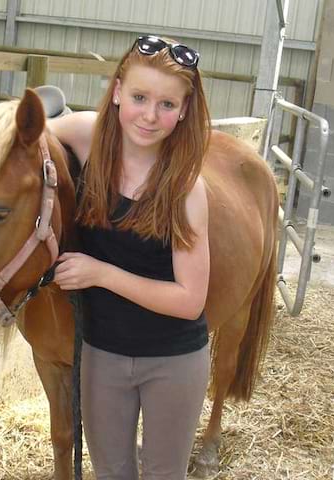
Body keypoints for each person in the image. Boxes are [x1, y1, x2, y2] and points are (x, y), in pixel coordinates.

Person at [49, 35, 211, 480]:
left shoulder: (186, 188)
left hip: (172, 359)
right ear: (118, 91)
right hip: (101, 354)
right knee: (112, 472)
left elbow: (190, 299)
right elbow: (20, 136)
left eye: (166, 104)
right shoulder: (85, 137)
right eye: (139, 97)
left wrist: (100, 273)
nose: (149, 115)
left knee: (163, 473)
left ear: (183, 111)